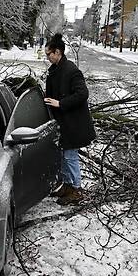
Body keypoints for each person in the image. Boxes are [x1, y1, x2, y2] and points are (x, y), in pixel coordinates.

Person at [43, 33, 96, 205]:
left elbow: (83, 94)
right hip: (64, 123)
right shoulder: (56, 70)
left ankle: (77, 189)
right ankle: (67, 187)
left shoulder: (71, 70)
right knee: (64, 156)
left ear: (57, 52)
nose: (47, 58)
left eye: (48, 54)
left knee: (70, 157)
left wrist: (60, 103)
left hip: (74, 124)